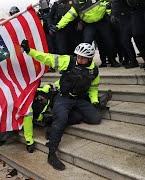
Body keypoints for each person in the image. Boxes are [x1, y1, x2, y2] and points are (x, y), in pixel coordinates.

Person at [21, 40, 101, 171]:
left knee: (95, 118)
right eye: (78, 56)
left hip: (79, 99)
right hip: (63, 98)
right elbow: (47, 58)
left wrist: (95, 101)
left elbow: (93, 88)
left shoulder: (94, 71)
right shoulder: (68, 61)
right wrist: (30, 51)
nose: (79, 59)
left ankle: (53, 126)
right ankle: (51, 154)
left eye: (83, 58)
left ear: (90, 58)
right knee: (61, 119)